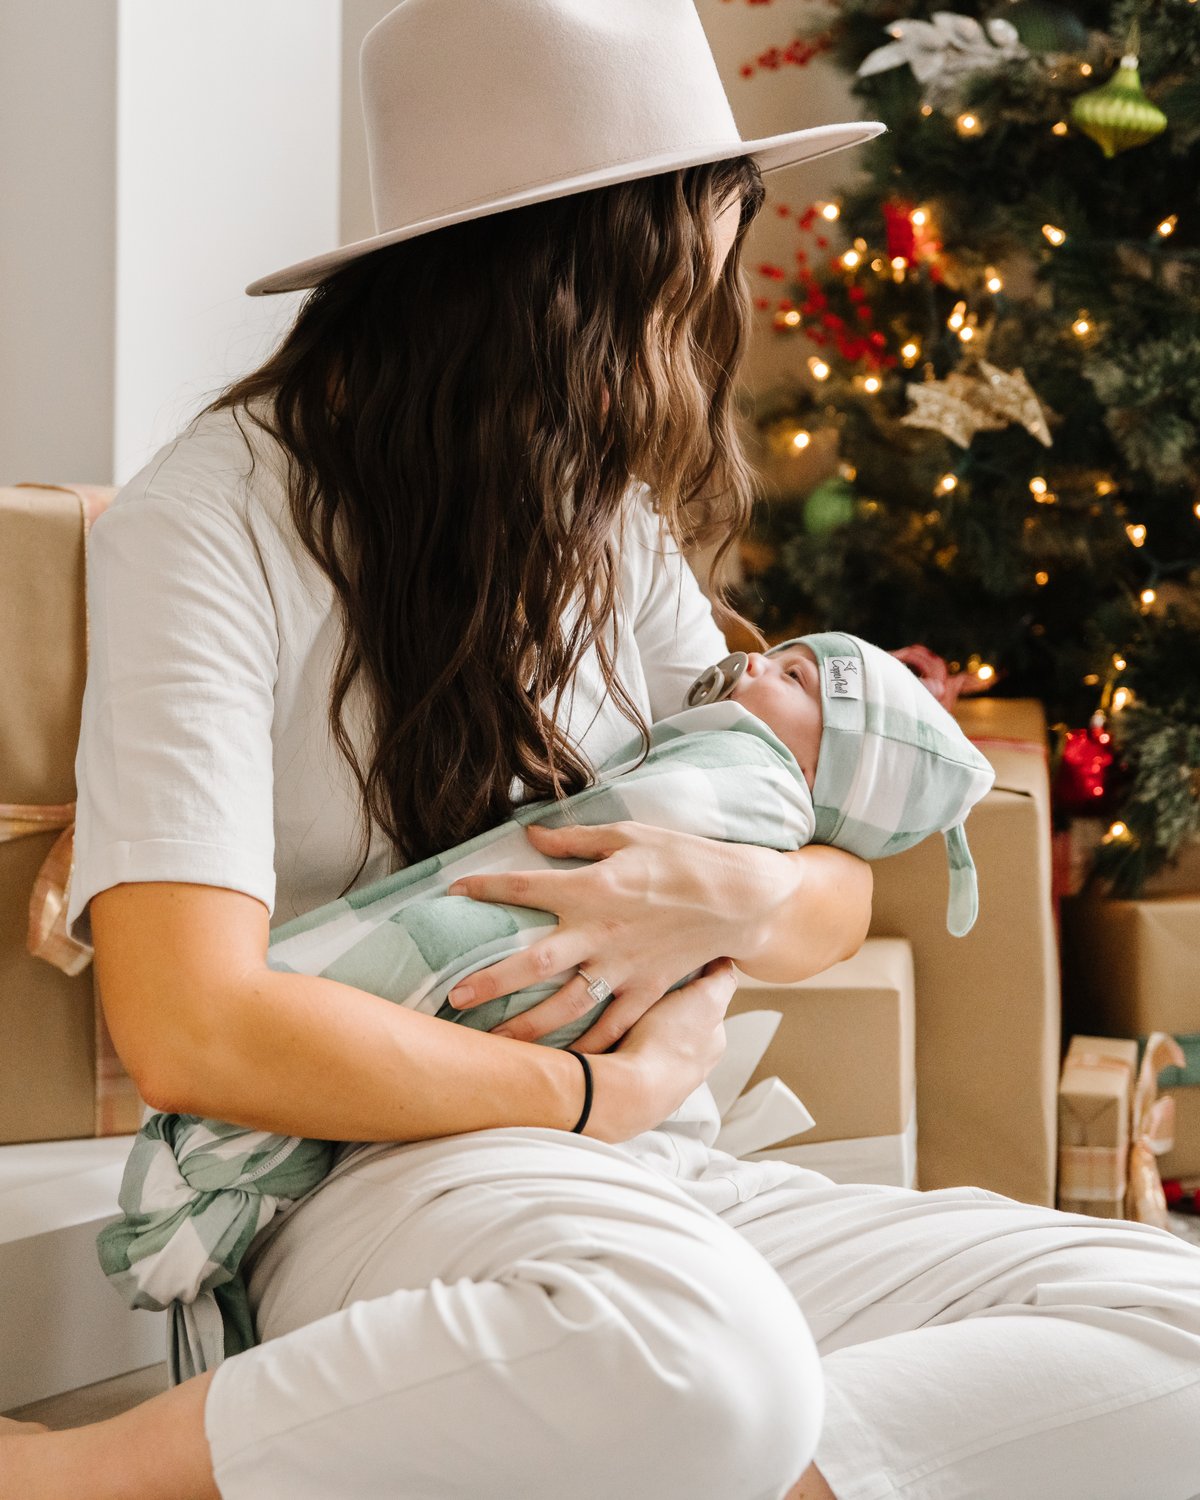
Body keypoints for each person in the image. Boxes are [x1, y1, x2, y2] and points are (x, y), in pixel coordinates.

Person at [4, 4, 1200, 1499]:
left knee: (1176, 1319)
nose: (728, 250)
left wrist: (724, 900)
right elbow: (192, 1025)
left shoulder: (599, 520)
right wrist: (583, 1101)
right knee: (697, 1353)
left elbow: (828, 891)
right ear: (593, 252)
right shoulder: (212, 522)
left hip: (655, 1168)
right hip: (369, 1173)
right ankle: (68, 1478)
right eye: (715, 201)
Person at [95, 628, 996, 1385]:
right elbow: (194, 1046)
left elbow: (843, 901)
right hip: (399, 1135)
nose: (751, 663)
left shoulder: (626, 534)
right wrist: (599, 1094)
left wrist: (740, 888)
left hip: (654, 1152)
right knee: (679, 1352)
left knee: (1132, 1296)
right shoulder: (214, 541)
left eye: (794, 671)